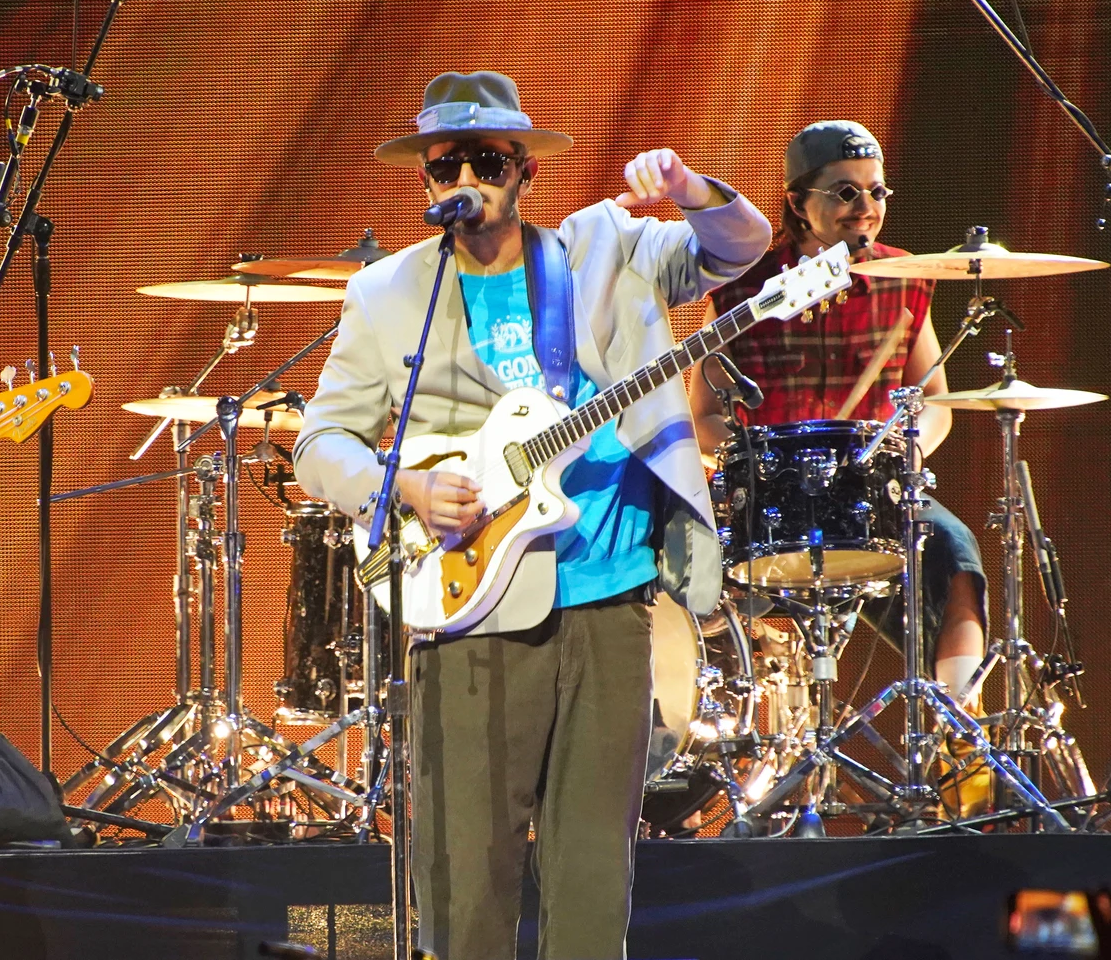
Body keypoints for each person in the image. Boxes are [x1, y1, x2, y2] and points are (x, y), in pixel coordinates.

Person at [294, 71, 770, 959]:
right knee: (468, 881)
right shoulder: (389, 292)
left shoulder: (608, 251)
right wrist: (402, 487)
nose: (465, 177)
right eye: (446, 166)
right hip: (471, 603)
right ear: (427, 183)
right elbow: (320, 442)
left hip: (610, 592)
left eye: (486, 159)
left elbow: (743, 246)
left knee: (592, 879)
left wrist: (690, 192)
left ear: (523, 172)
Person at [686, 121, 991, 806]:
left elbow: (934, 399)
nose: (865, 206)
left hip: (869, 486)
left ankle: (959, 740)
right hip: (770, 492)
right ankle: (711, 762)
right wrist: (741, 450)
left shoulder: (905, 277)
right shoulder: (744, 289)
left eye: (876, 191)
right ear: (798, 202)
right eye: (846, 192)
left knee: (954, 549)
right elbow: (701, 415)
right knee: (677, 566)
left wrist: (908, 442)